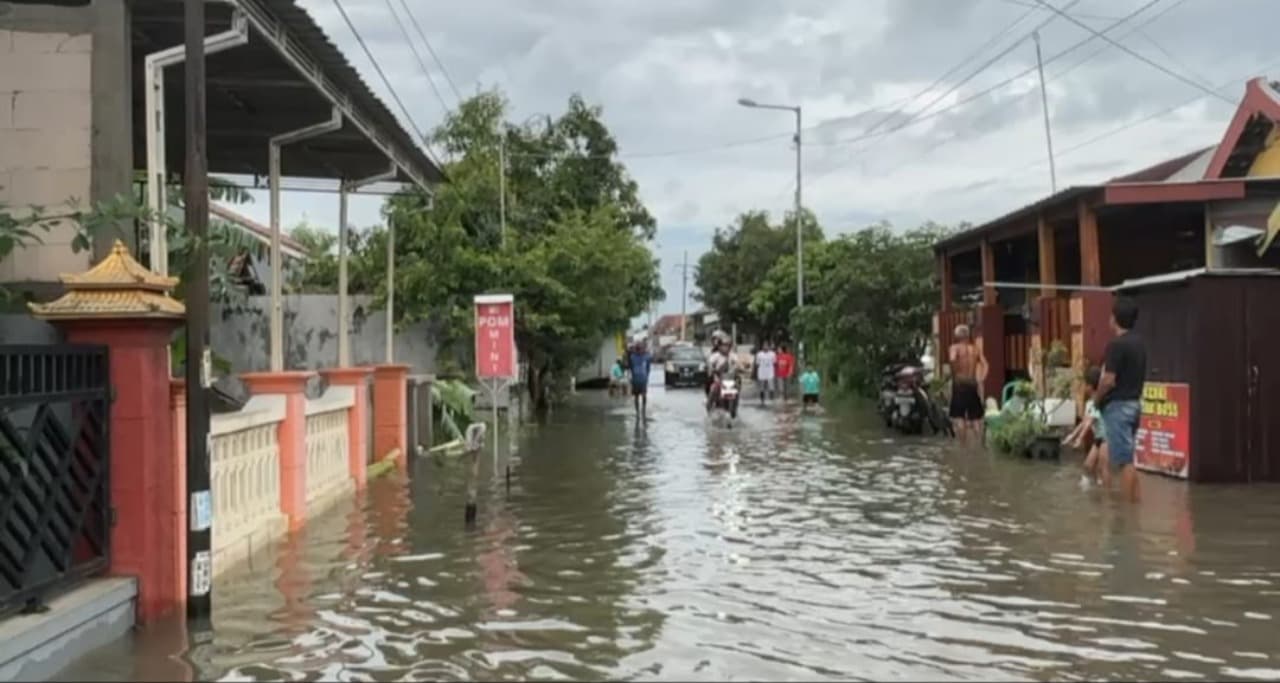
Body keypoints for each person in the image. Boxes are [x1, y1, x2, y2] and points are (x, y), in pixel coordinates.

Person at [1095, 297, 1146, 502]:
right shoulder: (1139, 343)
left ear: (1115, 319)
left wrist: (1097, 399)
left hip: (1118, 407)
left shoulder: (1116, 345)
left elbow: (1108, 380)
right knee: (1129, 459)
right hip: (1135, 404)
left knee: (1124, 462)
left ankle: (1128, 511)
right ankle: (1135, 502)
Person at [1063, 366, 1106, 488]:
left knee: (1097, 468)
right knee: (1090, 467)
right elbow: (1084, 422)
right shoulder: (1090, 403)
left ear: (1090, 386)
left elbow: (1089, 422)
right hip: (1099, 438)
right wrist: (1072, 436)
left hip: (1105, 439)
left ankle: (1099, 492)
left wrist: (1079, 439)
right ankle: (1093, 490)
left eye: (1085, 384)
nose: (1083, 387)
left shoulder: (1098, 402)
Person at [947, 324, 989, 444]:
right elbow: (985, 364)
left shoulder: (954, 348)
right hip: (972, 383)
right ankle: (979, 444)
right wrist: (981, 378)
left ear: (957, 335)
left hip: (960, 383)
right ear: (967, 335)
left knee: (959, 416)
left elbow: (952, 359)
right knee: (975, 417)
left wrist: (955, 373)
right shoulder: (975, 349)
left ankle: (963, 445)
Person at [627, 341, 652, 419]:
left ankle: (643, 410)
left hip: (643, 379)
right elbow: (630, 367)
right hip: (635, 379)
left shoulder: (646, 356)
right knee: (636, 396)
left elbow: (648, 367)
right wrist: (631, 377)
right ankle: (637, 411)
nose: (639, 350)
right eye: (638, 348)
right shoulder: (632, 357)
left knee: (643, 395)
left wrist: (647, 376)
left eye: (640, 348)